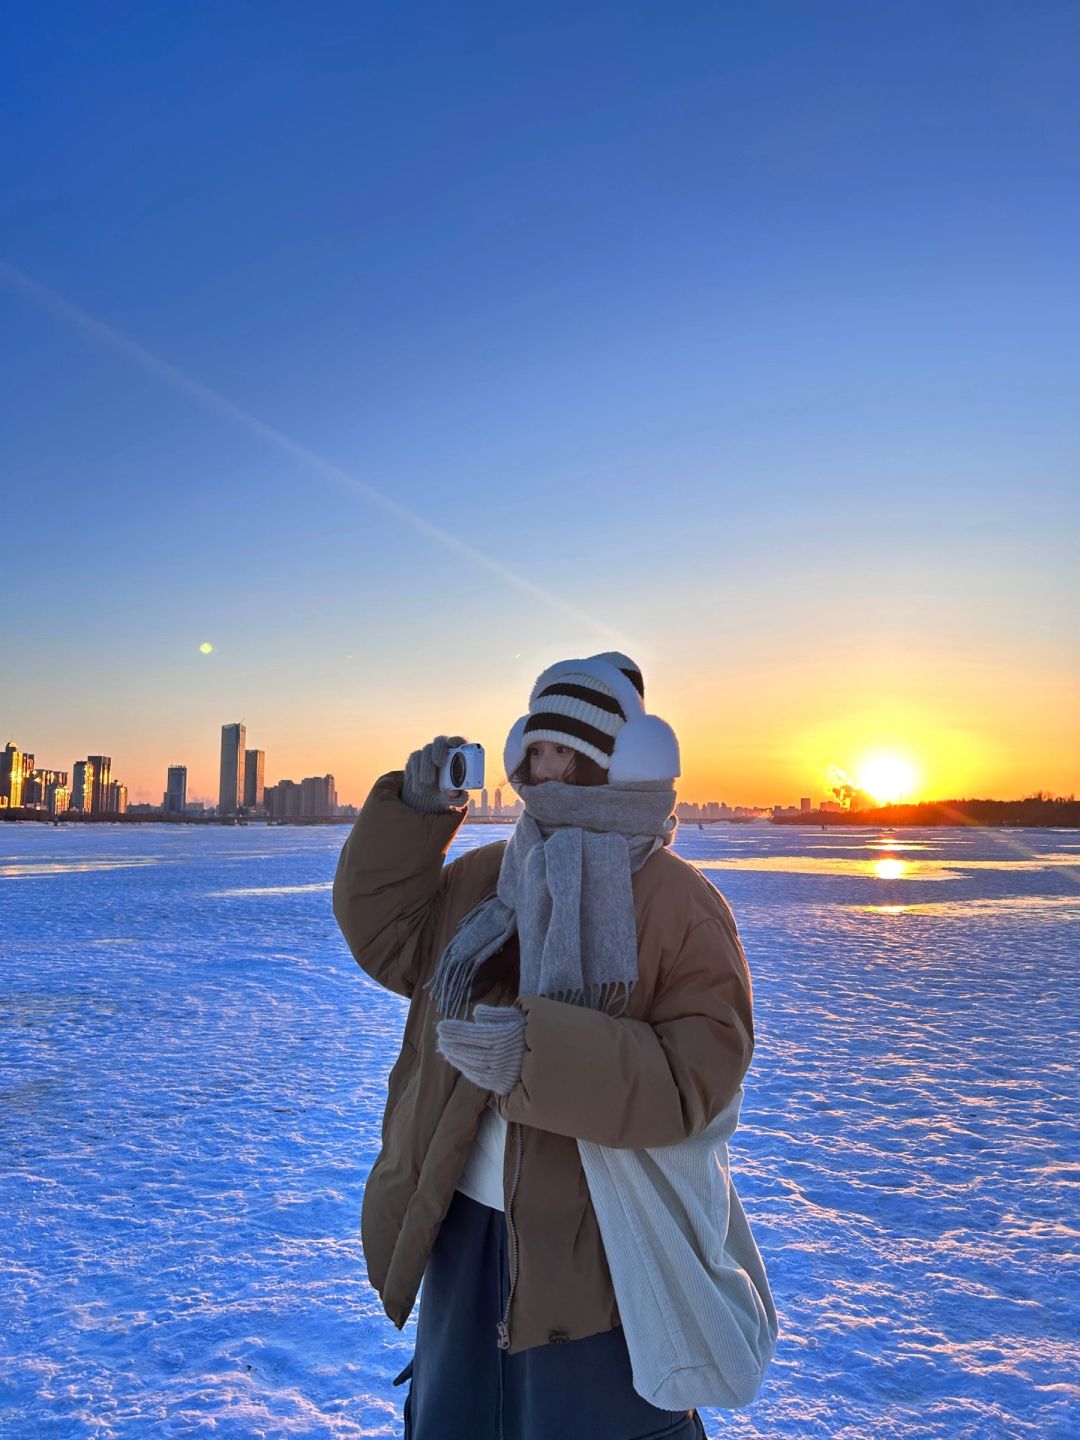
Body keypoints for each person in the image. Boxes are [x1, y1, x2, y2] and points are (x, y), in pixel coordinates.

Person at [332, 652, 756, 1440]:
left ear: (608, 760)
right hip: (459, 1222)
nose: (540, 764)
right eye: (534, 745)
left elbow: (696, 1078)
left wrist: (537, 1055)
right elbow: (392, 941)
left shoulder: (679, 903)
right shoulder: (490, 876)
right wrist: (415, 815)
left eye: (562, 748)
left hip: (603, 1254)